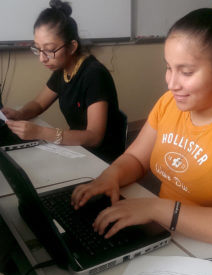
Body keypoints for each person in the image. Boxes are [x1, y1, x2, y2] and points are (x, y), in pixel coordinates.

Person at [69, 8, 212, 253]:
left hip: (210, 247)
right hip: (163, 231)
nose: (171, 83)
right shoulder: (170, 103)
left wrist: (156, 209)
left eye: (186, 72)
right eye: (169, 67)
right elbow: (135, 158)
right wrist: (111, 175)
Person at [3, 0, 125, 163]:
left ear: (72, 47)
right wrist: (20, 114)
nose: (42, 58)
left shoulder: (94, 75)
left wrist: (40, 132)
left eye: (49, 50)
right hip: (77, 148)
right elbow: (39, 104)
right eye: (38, 48)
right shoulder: (63, 68)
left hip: (101, 158)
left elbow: (94, 137)